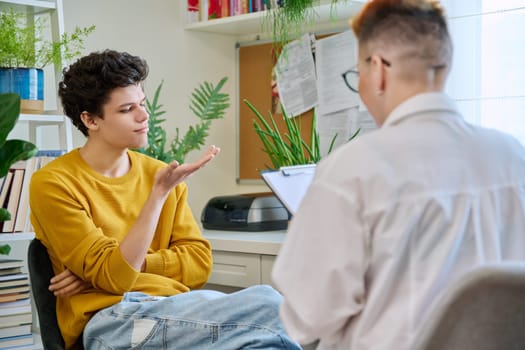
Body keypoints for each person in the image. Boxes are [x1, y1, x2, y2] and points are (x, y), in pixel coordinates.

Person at [272, 1, 525, 349]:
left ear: (378, 70)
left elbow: (306, 320)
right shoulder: (514, 158)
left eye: (356, 73)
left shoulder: (350, 171)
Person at [29, 49, 301, 350]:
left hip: (177, 310)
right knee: (269, 303)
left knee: (264, 345)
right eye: (127, 109)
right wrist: (156, 197)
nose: (144, 116)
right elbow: (116, 280)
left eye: (142, 104)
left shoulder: (158, 173)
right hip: (112, 321)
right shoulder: (55, 183)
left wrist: (128, 266)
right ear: (91, 120)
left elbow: (198, 265)